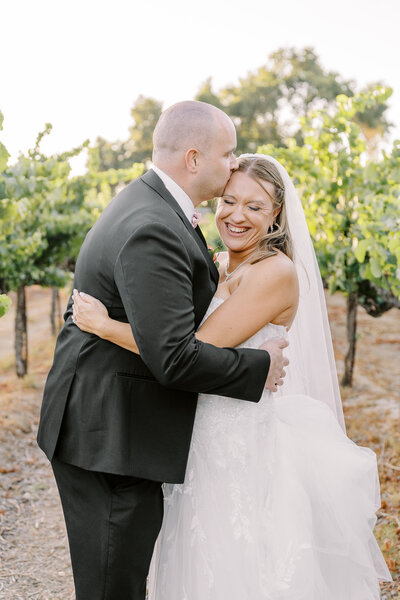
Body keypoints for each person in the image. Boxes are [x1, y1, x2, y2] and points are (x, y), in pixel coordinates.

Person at [72, 154, 392, 599]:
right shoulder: (221, 263)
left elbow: (192, 348)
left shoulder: (274, 272)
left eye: (255, 206)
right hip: (198, 439)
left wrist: (106, 327)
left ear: (277, 213)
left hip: (236, 446)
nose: (236, 215)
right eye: (228, 200)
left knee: (234, 564)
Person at [36, 102, 289, 600]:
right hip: (111, 435)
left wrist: (108, 326)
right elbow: (174, 356)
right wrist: (259, 368)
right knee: (114, 585)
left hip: (117, 427)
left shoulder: (154, 205)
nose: (234, 164)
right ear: (194, 159)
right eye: (229, 153)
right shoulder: (155, 223)